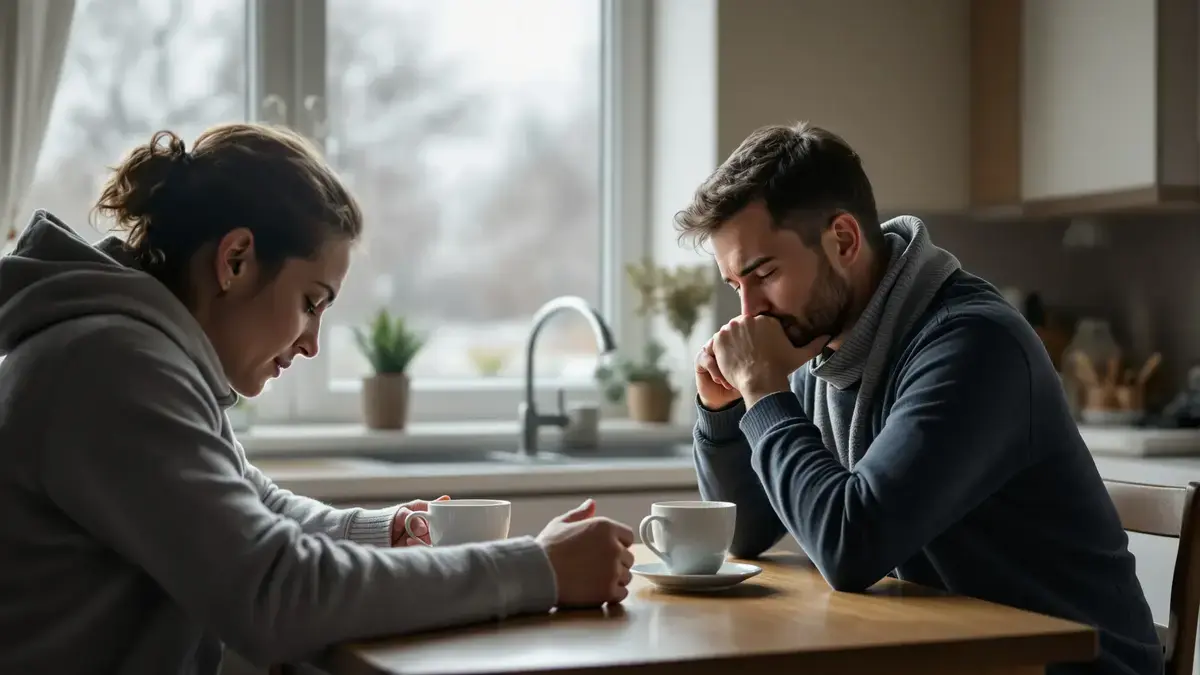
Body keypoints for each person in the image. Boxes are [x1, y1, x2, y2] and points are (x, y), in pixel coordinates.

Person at [0, 123, 635, 675]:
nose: (311, 345)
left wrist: (387, 532)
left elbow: (256, 507)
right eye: (311, 303)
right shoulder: (113, 368)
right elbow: (277, 591)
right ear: (237, 259)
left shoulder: (131, 351)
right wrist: (536, 570)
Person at [679, 122, 1162, 675]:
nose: (747, 312)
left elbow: (851, 547)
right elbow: (745, 533)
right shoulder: (824, 346)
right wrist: (723, 413)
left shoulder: (974, 345)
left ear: (842, 240)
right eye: (734, 286)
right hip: (957, 656)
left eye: (762, 274)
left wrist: (765, 395)